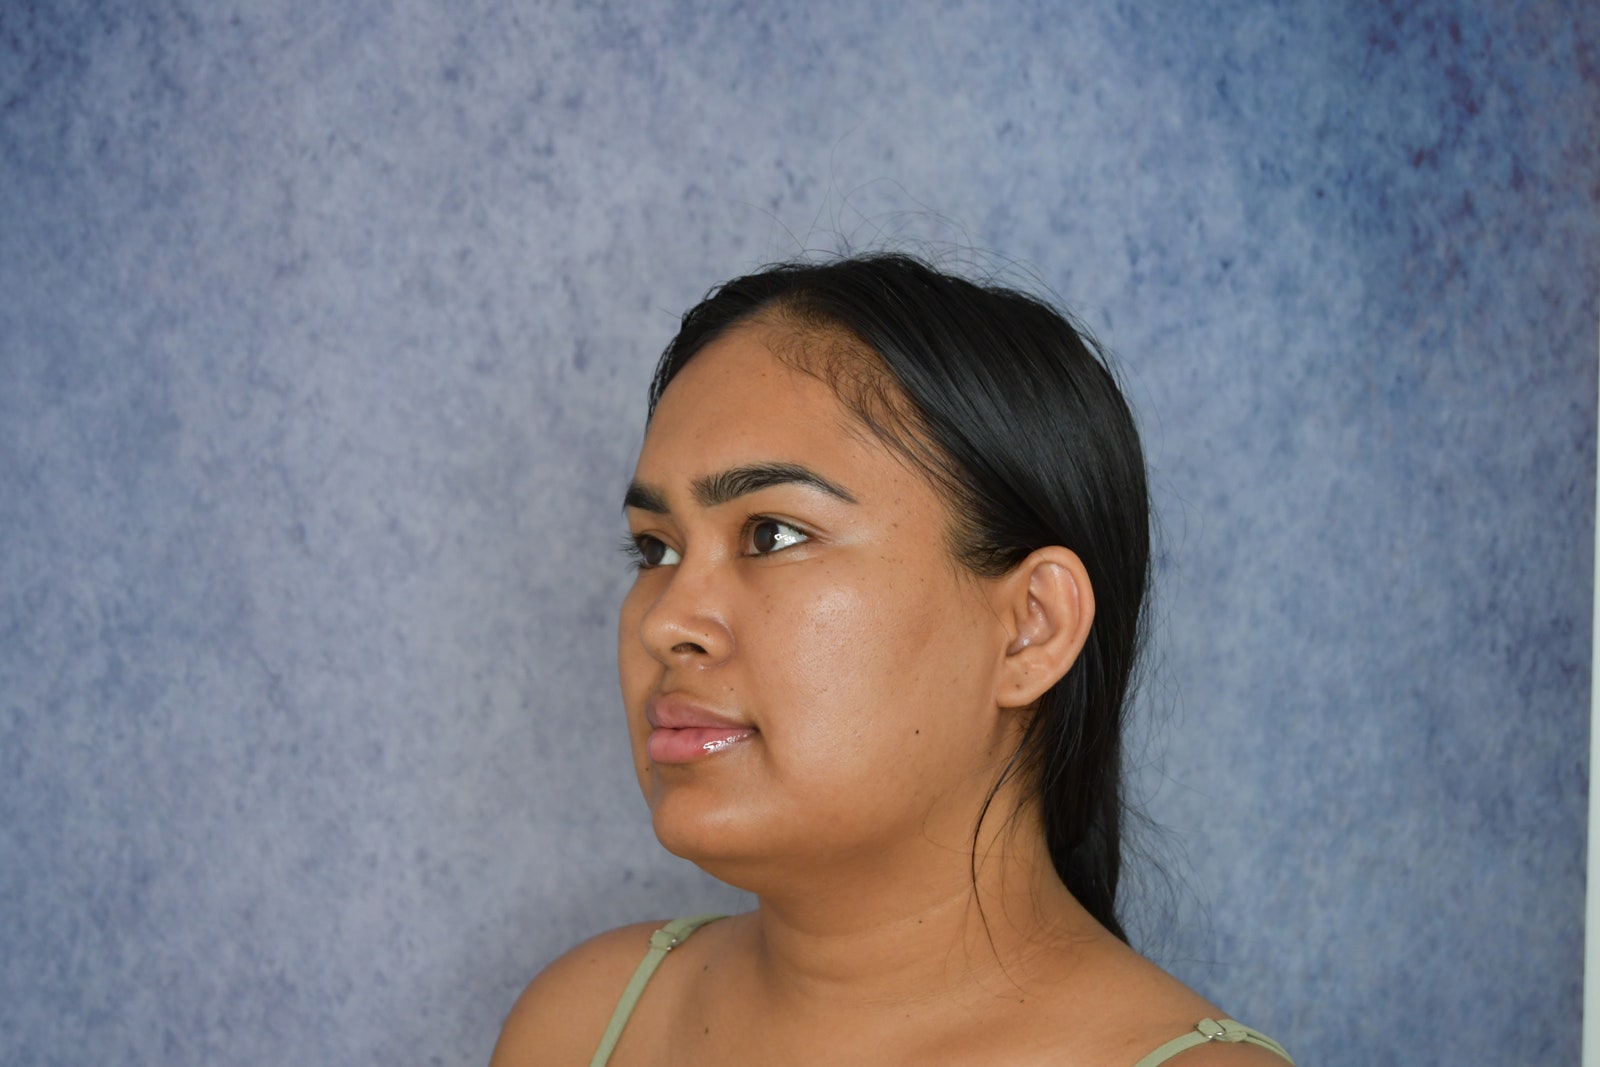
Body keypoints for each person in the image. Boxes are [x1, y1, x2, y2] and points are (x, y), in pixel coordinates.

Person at [491, 254, 1293, 1066]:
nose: (666, 623)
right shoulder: (584, 1026)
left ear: (1030, 627)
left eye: (773, 534)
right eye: (655, 549)